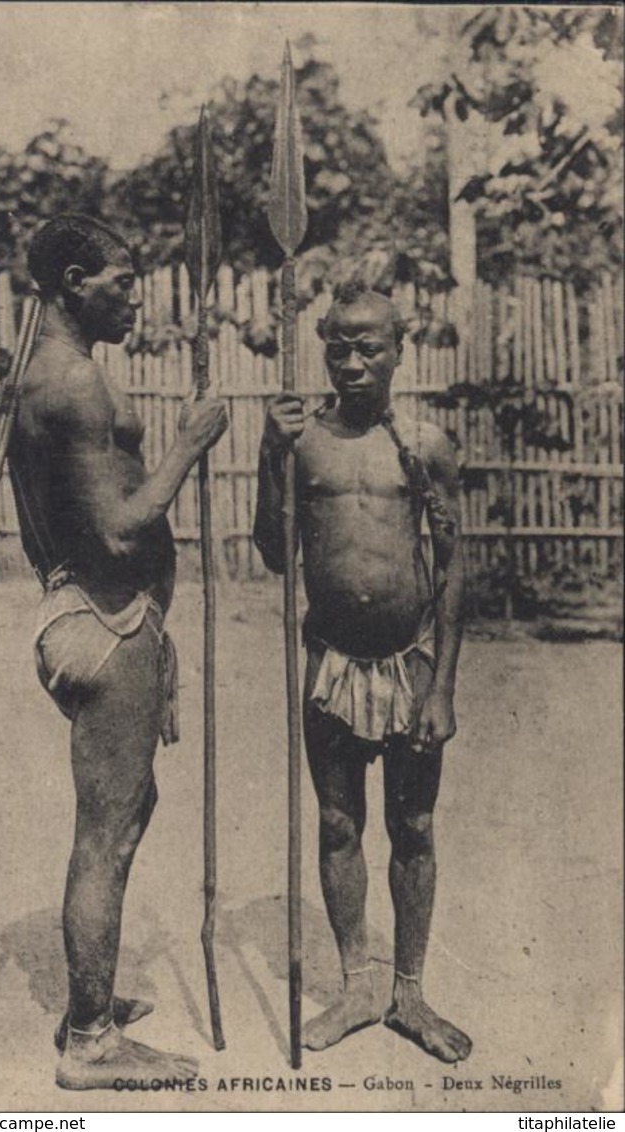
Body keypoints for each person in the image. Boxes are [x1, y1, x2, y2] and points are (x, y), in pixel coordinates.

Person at [7, 213, 228, 1089]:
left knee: (126, 817)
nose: (136, 296)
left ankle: (89, 1000)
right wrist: (190, 444)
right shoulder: (76, 386)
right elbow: (118, 526)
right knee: (104, 834)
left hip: (85, 613)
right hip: (106, 622)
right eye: (121, 281)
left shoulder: (45, 376)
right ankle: (91, 1043)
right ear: (72, 281)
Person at [254, 281, 472, 1063]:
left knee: (410, 825)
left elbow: (450, 566)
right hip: (330, 665)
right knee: (339, 823)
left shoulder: (425, 445)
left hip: (410, 661)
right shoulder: (301, 441)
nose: (350, 362)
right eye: (336, 346)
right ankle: (355, 985)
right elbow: (274, 551)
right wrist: (268, 454)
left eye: (367, 346)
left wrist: (441, 685)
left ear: (398, 349)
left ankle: (408, 994)